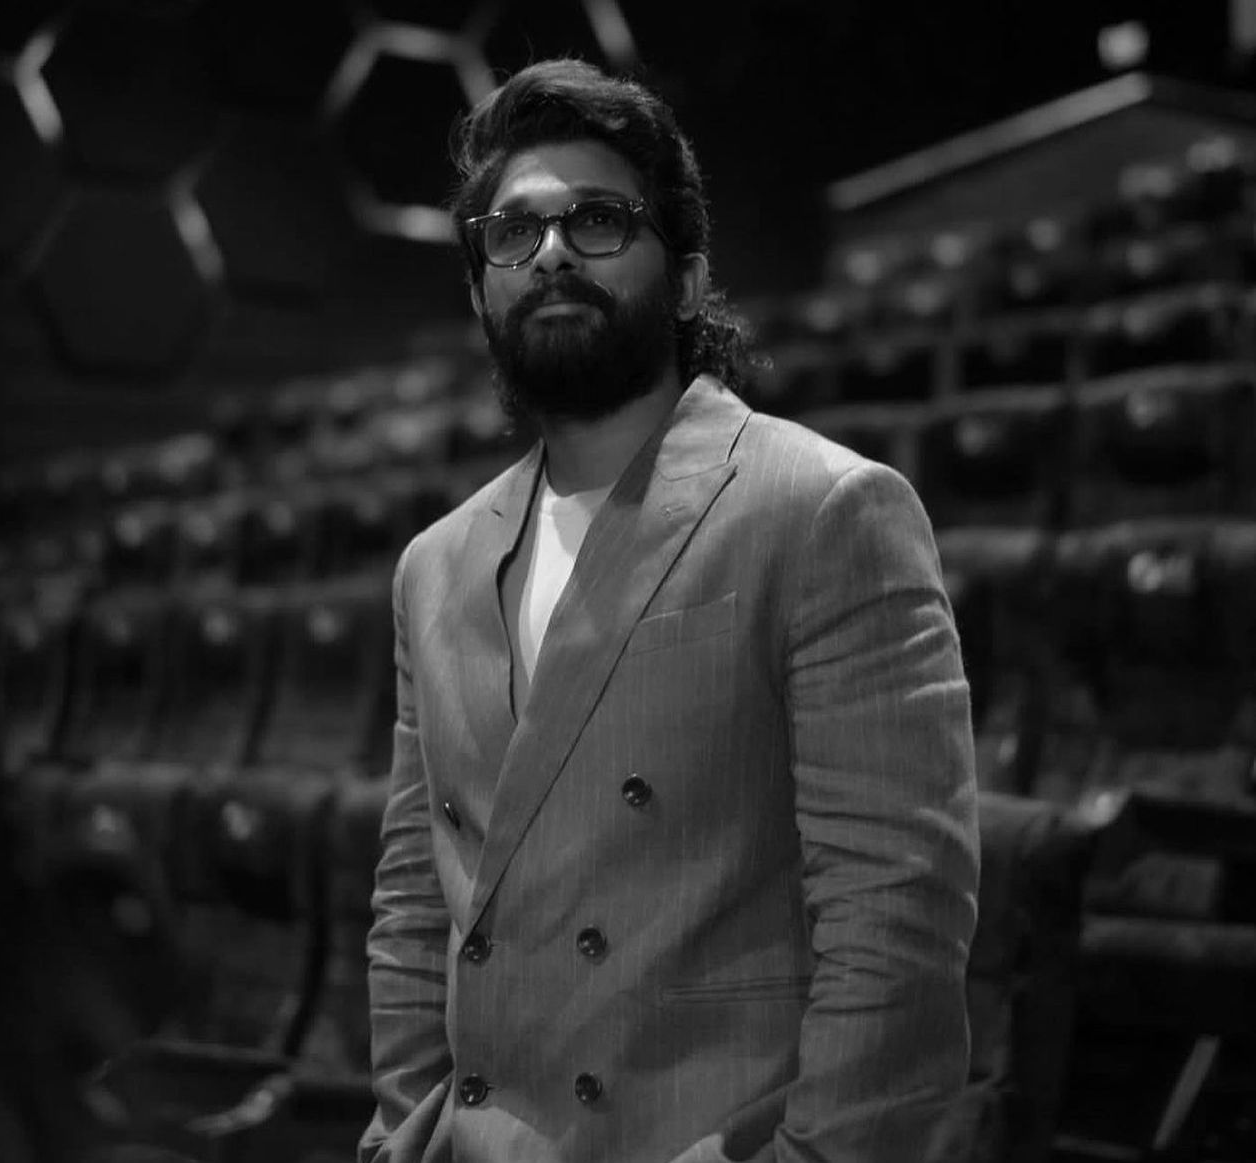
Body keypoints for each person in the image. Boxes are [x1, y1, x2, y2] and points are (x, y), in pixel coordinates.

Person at [360, 58, 979, 1163]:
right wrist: (394, 1133)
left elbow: (898, 921)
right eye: (514, 233)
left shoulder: (822, 508)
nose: (551, 252)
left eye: (598, 221)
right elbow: (415, 908)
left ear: (688, 283)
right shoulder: (433, 565)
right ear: (480, 292)